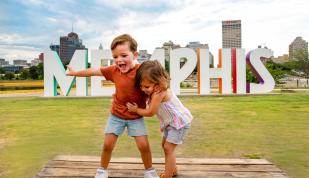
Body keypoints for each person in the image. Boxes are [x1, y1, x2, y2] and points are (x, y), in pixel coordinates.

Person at [66, 34, 159, 178]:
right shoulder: (113, 70)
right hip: (116, 115)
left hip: (136, 116)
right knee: (108, 145)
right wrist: (74, 73)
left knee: (144, 146)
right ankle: (102, 170)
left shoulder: (142, 71)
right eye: (115, 57)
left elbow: (156, 82)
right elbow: (93, 71)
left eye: (123, 55)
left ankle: (150, 171)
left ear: (135, 55)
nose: (119, 60)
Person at [126, 60, 193, 178]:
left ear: (158, 82)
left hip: (179, 123)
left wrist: (136, 110)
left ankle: (168, 175)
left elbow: (150, 112)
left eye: (146, 86)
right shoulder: (154, 90)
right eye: (141, 86)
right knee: (166, 146)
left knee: (168, 148)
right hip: (171, 123)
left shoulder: (159, 92)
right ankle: (173, 170)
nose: (143, 89)